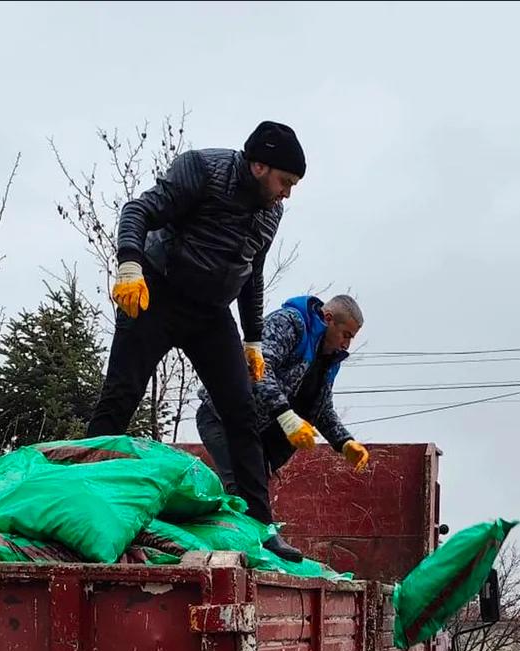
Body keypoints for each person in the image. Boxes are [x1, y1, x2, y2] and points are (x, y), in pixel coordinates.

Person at [86, 121, 307, 561]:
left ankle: (262, 527)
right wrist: (129, 264)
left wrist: (253, 339)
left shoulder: (271, 212)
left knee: (242, 412)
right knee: (121, 395)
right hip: (158, 292)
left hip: (210, 313)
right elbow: (137, 211)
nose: (287, 194)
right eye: (285, 182)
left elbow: (252, 272)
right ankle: (87, 492)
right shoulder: (203, 170)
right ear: (259, 165)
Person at [197, 294, 371, 506]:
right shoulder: (289, 324)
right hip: (224, 419)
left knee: (255, 501)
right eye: (345, 335)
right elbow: (259, 369)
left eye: (351, 338)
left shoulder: (329, 361)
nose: (346, 344)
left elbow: (322, 408)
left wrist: (344, 442)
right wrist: (286, 416)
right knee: (241, 494)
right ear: (328, 318)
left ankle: (247, 534)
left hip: (261, 440)